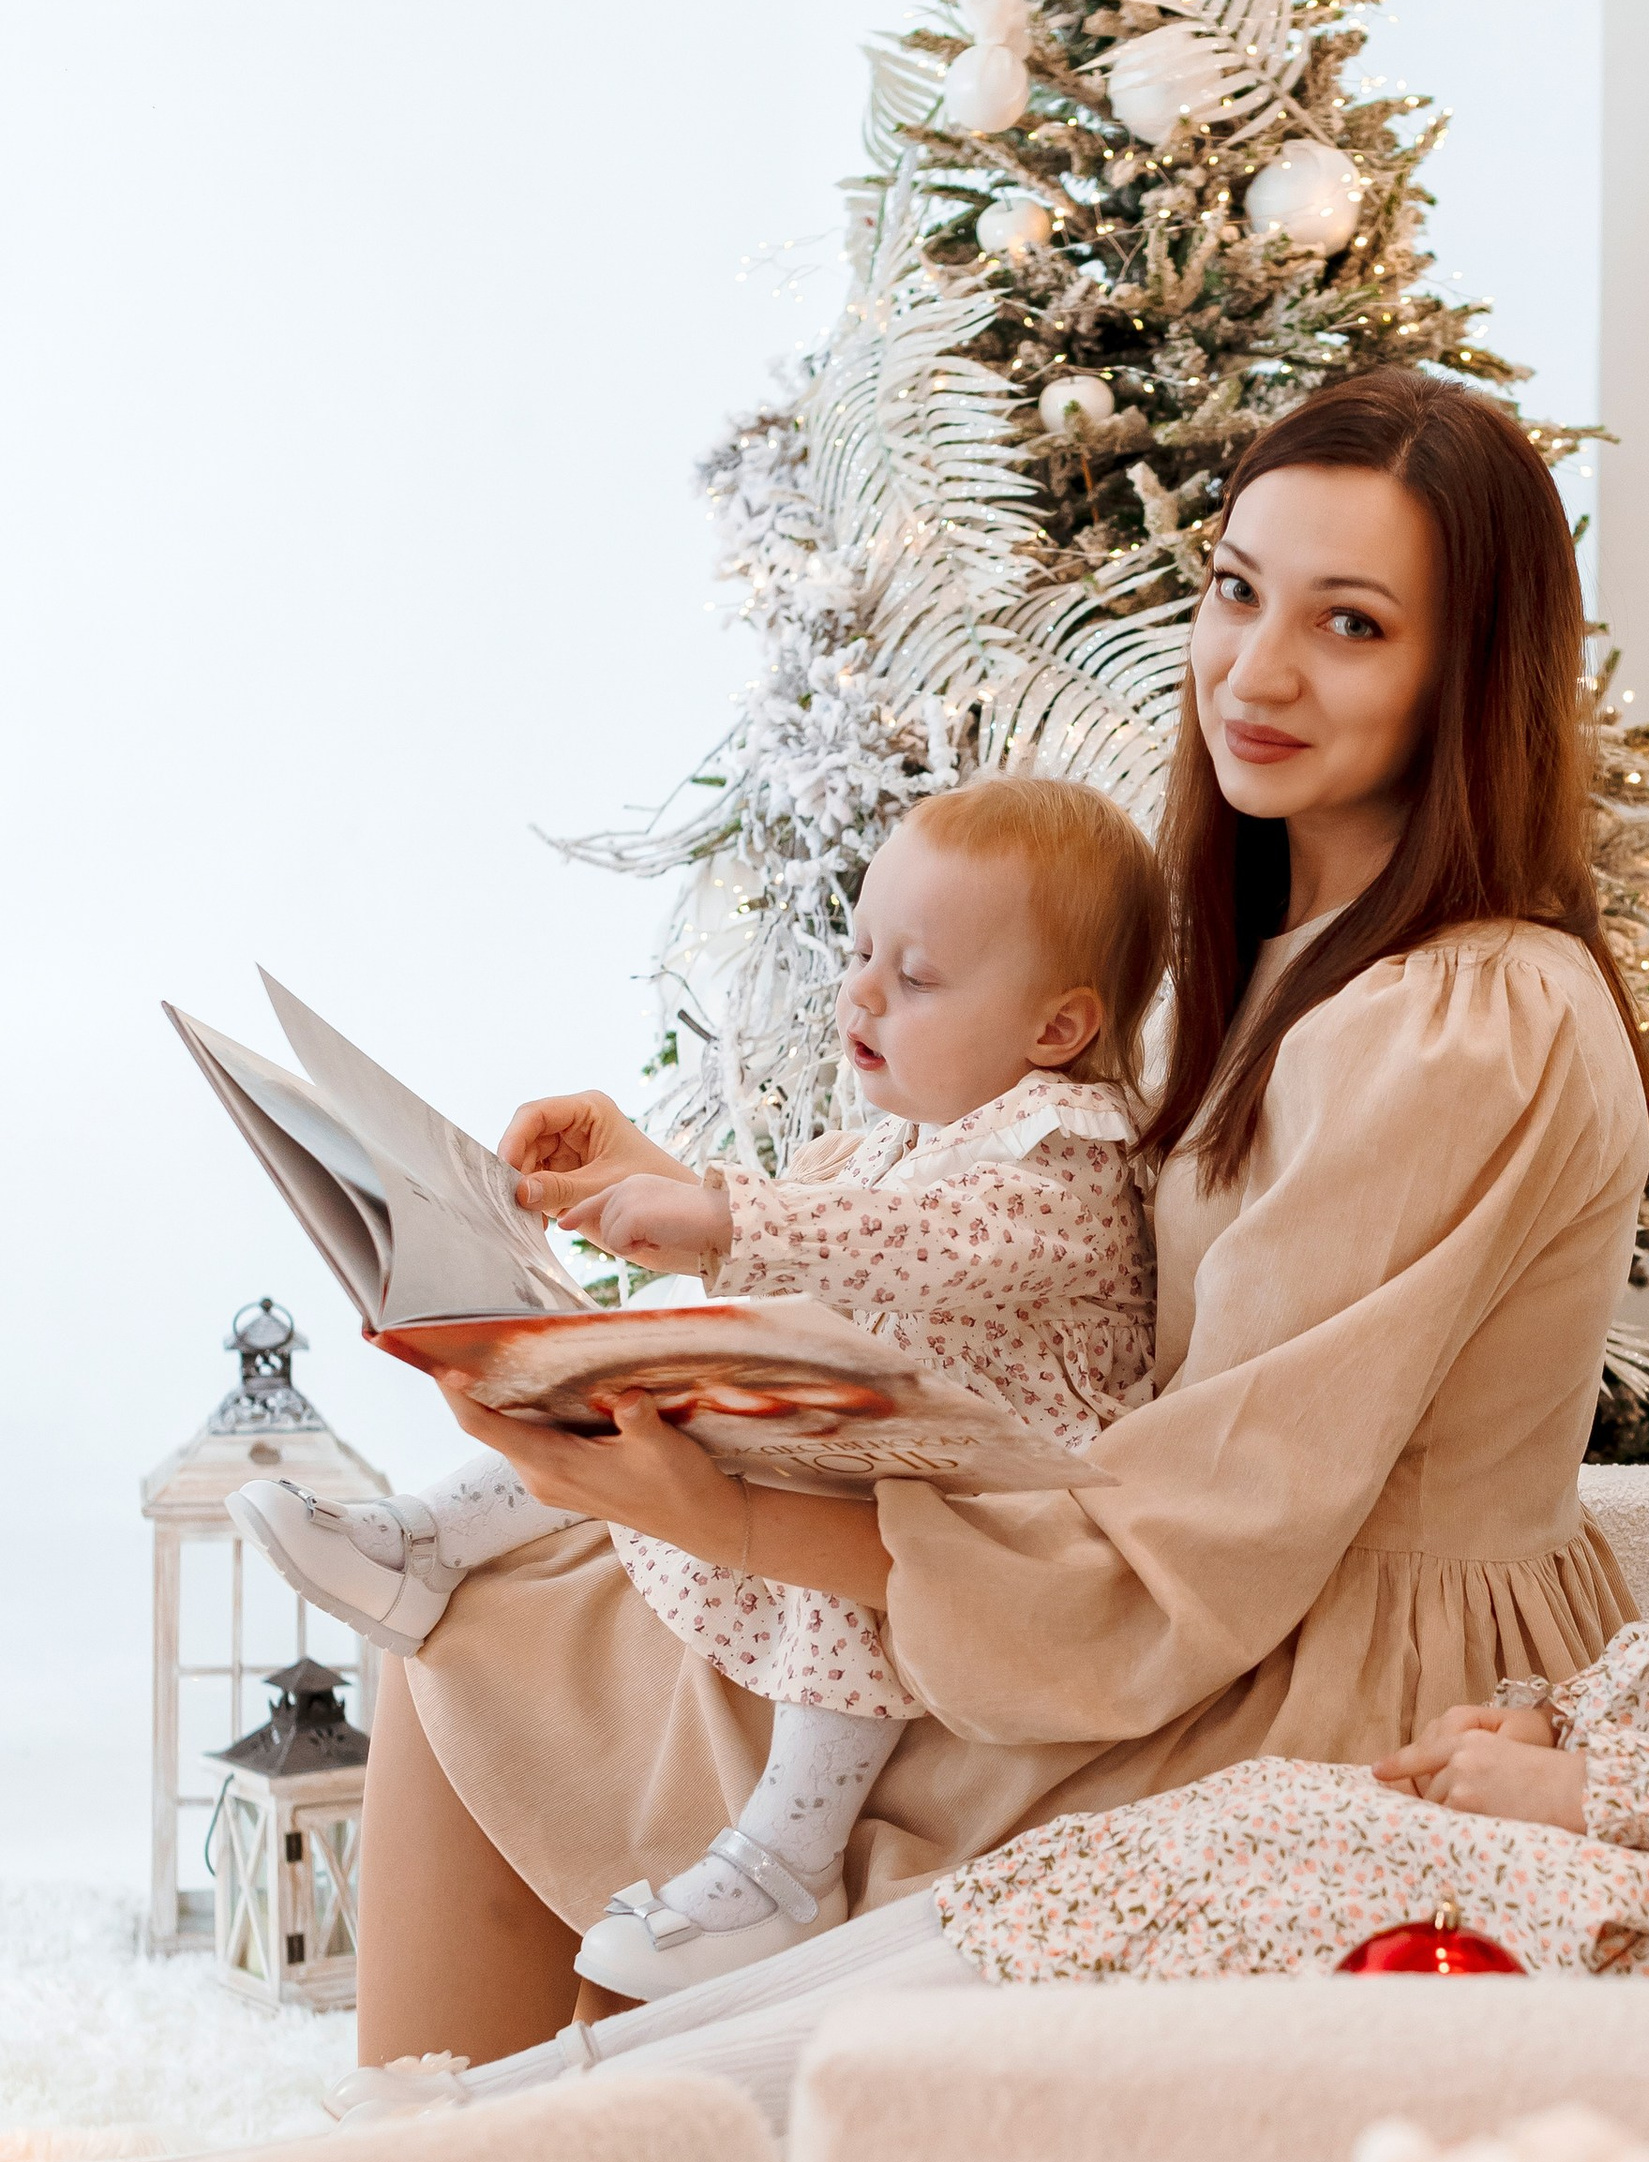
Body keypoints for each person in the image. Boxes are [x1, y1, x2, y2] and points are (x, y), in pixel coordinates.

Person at [404, 784, 1649, 2132]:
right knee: (1193, 1852)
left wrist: (1589, 1795)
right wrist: (1559, 1728)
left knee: (1209, 1865)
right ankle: (564, 2113)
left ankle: (558, 2138)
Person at [351, 369, 1649, 2070]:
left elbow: (1198, 1542)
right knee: (511, 1611)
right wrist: (673, 1198)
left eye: (1350, 625)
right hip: (1183, 1588)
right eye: (1235, 589)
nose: (1254, 672)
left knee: (525, 1642)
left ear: (1466, 673)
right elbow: (1026, 1257)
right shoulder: (1277, 952)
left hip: (1309, 1682)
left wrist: (738, 1517)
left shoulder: (1462, 1025)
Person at [242, 781, 1162, 1999]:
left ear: (1055, 1030)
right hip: (888, 1445)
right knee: (643, 1370)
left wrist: (720, 1217)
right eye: (860, 953)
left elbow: (914, 1242)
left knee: (835, 1537)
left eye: (919, 977)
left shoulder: (1063, 1157)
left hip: (995, 1518)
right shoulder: (912, 1130)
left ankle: (788, 1861)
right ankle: (427, 1539)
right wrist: (660, 1195)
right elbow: (841, 1226)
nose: (863, 993)